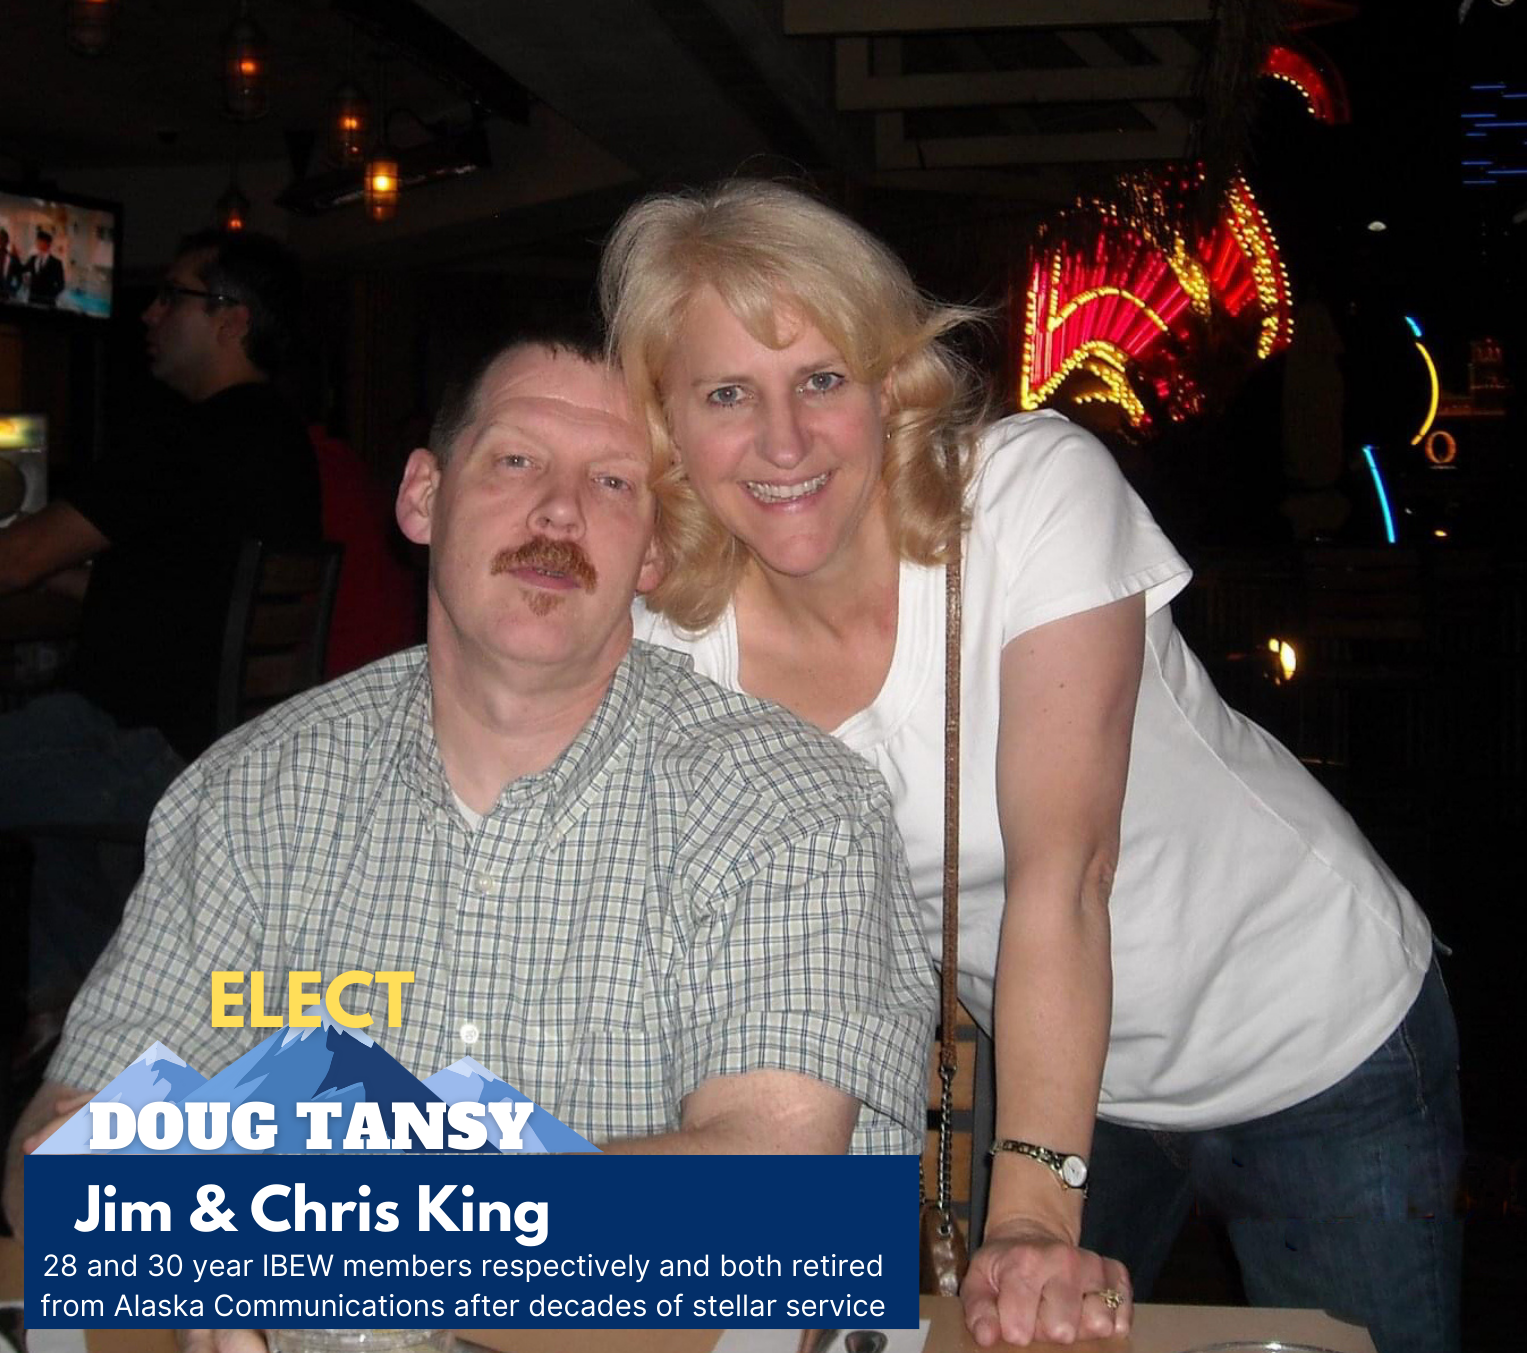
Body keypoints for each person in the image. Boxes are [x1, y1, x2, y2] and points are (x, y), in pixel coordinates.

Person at [601, 180, 1461, 1353]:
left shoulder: (1024, 494)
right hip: (1073, 1075)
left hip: (1312, 1029)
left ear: (889, 382)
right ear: (664, 426)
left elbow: (1067, 877)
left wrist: (1027, 1223)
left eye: (821, 378)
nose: (785, 440)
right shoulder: (678, 640)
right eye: (725, 394)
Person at [5, 330, 934, 1238]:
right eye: (517, 461)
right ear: (422, 496)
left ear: (652, 552)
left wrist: (273, 1233)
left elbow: (776, 1205)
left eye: (612, 482)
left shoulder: (790, 807)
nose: (561, 512)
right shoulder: (255, 793)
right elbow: (54, 1159)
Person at [0, 228, 321, 1019]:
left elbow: (16, 561)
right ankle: (69, 1026)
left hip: (135, 751)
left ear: (229, 319)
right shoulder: (279, 442)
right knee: (61, 842)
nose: (148, 314)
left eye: (169, 295)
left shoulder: (192, 436)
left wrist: (36, 559)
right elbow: (159, 592)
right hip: (205, 761)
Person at [19, 227, 65, 307]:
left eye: (40, 241)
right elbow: (21, 270)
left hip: (47, 302)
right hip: (32, 300)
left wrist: (51, 295)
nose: (37, 243)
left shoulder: (56, 263)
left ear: (47, 244)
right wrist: (13, 257)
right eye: (37, 241)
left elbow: (61, 285)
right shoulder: (33, 259)